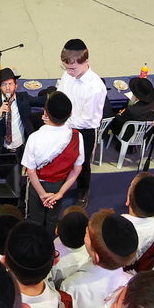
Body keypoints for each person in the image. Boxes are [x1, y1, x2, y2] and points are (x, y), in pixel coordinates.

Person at [60, 210, 137, 308]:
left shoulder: (71, 286)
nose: (85, 231)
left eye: (87, 234)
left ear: (96, 257)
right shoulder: (130, 283)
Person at [20, 92, 83, 232]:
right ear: (70, 114)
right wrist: (60, 193)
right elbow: (77, 169)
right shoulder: (77, 137)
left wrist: (42, 194)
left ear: (45, 113)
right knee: (52, 219)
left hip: (37, 185)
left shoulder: (34, 137)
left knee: (35, 219)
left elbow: (30, 171)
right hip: (59, 185)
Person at [55, 38, 106, 204]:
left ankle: (83, 191)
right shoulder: (67, 74)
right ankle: (61, 185)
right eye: (66, 68)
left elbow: (86, 120)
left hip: (85, 131)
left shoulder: (95, 87)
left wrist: (60, 119)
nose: (69, 72)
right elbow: (60, 95)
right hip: (65, 123)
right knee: (62, 156)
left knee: (82, 163)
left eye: (72, 68)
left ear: (86, 61)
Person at [0, 67, 33, 154]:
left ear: (16, 86)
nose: (7, 88)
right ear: (0, 87)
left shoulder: (23, 98)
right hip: (0, 150)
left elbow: (41, 101)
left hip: (21, 148)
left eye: (10, 84)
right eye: (4, 84)